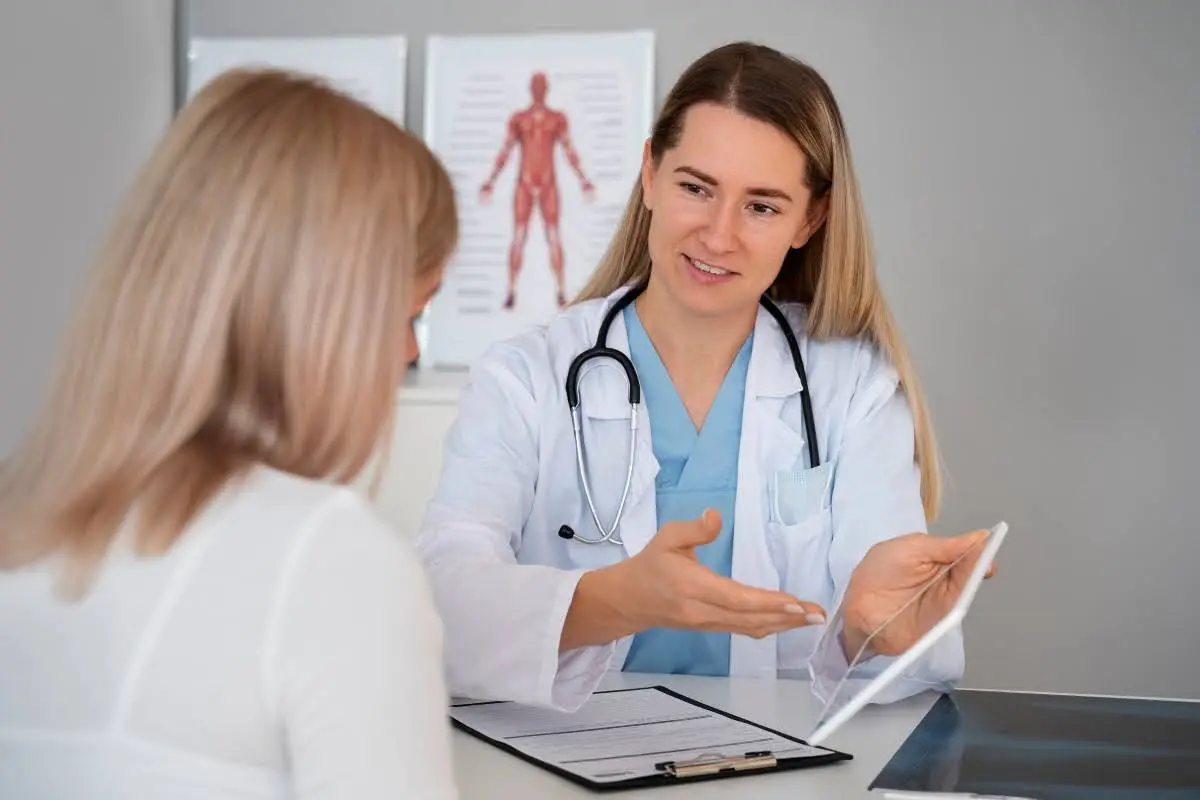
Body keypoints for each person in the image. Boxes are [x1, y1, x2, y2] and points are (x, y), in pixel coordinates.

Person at [416, 41, 998, 714]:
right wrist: (613, 601)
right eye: (695, 188)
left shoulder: (852, 391)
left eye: (762, 206)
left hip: (776, 759)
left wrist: (869, 631)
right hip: (561, 755)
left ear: (811, 219)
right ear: (649, 174)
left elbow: (907, 659)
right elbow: (438, 603)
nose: (719, 236)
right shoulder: (526, 378)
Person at [0, 68, 460, 798]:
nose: (407, 354)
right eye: (409, 314)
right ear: (327, 313)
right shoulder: (331, 562)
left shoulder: (20, 518)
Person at [479, 70, 596, 310]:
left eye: (542, 86)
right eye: (536, 85)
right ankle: (511, 290)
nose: (539, 90)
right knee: (519, 237)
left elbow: (568, 149)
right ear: (531, 89)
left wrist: (583, 179)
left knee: (553, 236)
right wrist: (491, 180)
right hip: (525, 183)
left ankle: (561, 291)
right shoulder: (519, 119)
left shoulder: (557, 119)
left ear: (546, 89)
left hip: (547, 184)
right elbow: (506, 150)